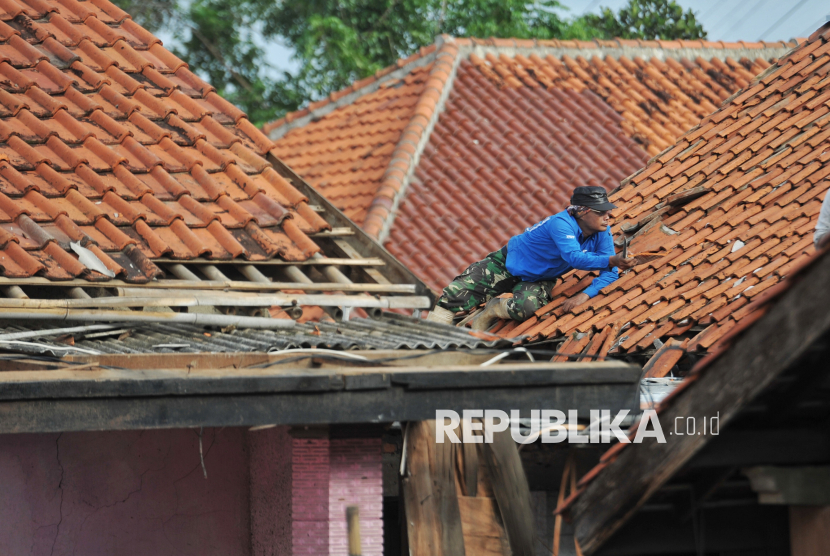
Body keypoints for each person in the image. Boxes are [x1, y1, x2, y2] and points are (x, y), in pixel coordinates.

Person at [426, 186, 638, 330]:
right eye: (601, 212)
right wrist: (612, 260)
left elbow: (610, 274)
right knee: (453, 296)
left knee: (527, 308)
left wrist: (585, 295)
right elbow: (575, 258)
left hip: (539, 277)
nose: (608, 217)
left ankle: (493, 310)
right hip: (506, 264)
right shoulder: (560, 223)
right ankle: (429, 344)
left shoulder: (603, 232)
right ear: (583, 212)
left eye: (607, 211)